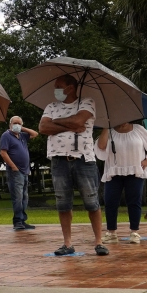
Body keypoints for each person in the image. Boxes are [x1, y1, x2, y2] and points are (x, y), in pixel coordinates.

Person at [38, 75, 108, 257]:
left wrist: (59, 122)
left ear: (71, 88)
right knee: (63, 203)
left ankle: (99, 242)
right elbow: (43, 128)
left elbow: (79, 121)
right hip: (58, 160)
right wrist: (69, 124)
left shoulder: (87, 103)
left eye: (59, 86)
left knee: (92, 202)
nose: (56, 90)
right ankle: (67, 243)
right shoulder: (51, 106)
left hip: (83, 159)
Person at [97, 120, 147, 242]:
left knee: (134, 201)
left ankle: (134, 232)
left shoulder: (138, 129)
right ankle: (111, 232)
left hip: (135, 171)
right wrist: (106, 127)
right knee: (110, 202)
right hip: (114, 171)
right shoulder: (110, 131)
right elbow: (101, 147)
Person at [0, 115, 39, 231]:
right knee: (18, 197)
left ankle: (22, 220)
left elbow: (35, 134)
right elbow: (3, 152)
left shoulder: (22, 136)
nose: (16, 125)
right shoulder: (6, 136)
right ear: (10, 125)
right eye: (14, 123)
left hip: (25, 171)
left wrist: (23, 128)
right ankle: (17, 221)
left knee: (24, 197)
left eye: (19, 123)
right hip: (15, 171)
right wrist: (13, 166)